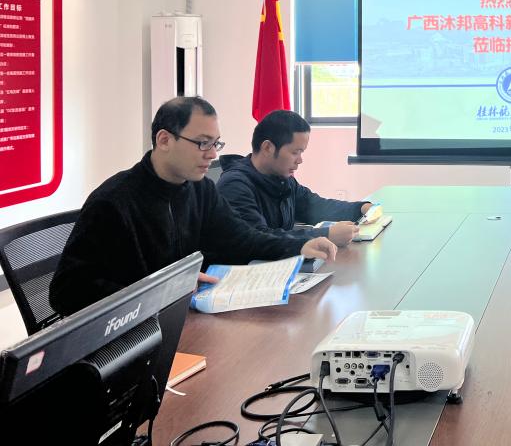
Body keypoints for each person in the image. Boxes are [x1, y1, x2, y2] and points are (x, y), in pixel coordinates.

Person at [50, 97, 336, 317]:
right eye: (202, 144)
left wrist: (299, 245)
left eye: (215, 144)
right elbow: (65, 293)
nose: (212, 155)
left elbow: (241, 237)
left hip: (182, 320)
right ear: (164, 140)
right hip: (133, 334)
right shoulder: (113, 202)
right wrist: (164, 288)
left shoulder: (200, 189)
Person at [218, 109, 373, 247]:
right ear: (267, 148)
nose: (300, 160)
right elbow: (258, 239)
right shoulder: (234, 186)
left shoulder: (281, 179)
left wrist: (360, 209)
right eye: (295, 152)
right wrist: (326, 235)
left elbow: (316, 206)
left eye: (301, 153)